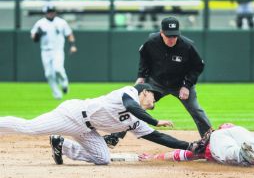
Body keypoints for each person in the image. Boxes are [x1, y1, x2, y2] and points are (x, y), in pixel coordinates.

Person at [0, 83, 199, 165]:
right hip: (73, 115)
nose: (154, 102)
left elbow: (158, 137)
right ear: (145, 92)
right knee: (30, 128)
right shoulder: (129, 92)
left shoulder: (137, 119)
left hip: (87, 129)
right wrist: (155, 120)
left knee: (103, 158)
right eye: (154, 98)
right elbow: (131, 106)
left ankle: (62, 144)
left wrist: (190, 146)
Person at [104, 16, 211, 148]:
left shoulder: (187, 46)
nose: (172, 39)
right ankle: (114, 136)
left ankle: (210, 143)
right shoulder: (151, 42)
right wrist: (141, 76)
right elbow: (144, 58)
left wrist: (187, 85)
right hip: (156, 83)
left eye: (174, 36)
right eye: (168, 36)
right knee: (136, 106)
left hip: (181, 84)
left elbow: (198, 66)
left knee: (196, 110)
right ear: (161, 32)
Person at [138, 123, 254, 166]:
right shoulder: (235, 131)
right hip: (238, 131)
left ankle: (242, 154)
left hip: (220, 137)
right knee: (247, 142)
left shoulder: (206, 145)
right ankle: (245, 152)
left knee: (229, 151)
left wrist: (155, 157)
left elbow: (180, 155)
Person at [31, 2, 77, 100]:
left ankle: (64, 83)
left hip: (58, 50)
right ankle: (57, 94)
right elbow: (34, 38)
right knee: (48, 74)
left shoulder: (61, 22)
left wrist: (73, 45)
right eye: (48, 12)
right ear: (45, 13)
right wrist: (37, 35)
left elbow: (69, 34)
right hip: (45, 51)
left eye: (52, 11)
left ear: (55, 12)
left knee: (58, 68)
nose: (50, 13)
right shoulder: (40, 23)